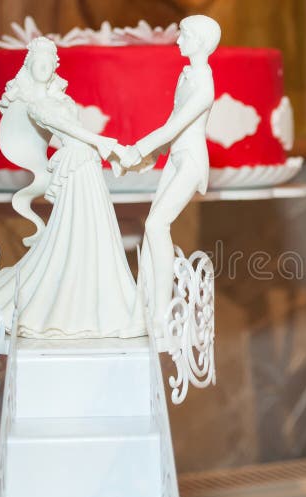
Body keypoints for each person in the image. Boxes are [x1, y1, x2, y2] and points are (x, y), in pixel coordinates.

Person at [0, 36, 144, 339]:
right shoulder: (38, 106)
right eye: (38, 63)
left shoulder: (60, 98)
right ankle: (69, 302)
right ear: (29, 67)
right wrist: (105, 143)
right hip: (76, 161)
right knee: (79, 227)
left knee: (96, 227)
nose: (44, 68)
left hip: (86, 161)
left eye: (48, 63)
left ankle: (103, 299)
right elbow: (72, 130)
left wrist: (104, 148)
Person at [119, 15, 220, 333]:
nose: (178, 40)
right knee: (152, 231)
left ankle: (161, 313)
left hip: (190, 162)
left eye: (184, 35)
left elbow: (177, 126)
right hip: (175, 158)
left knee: (155, 224)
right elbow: (174, 122)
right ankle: (142, 310)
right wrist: (152, 155)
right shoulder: (186, 75)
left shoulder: (204, 83)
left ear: (201, 42)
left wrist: (137, 147)